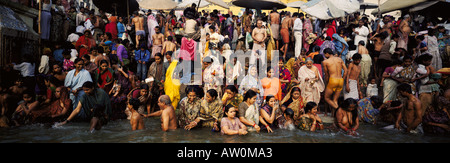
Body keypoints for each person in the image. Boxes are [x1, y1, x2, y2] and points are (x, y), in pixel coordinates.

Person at [323, 48, 347, 116]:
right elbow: (346, 71)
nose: (325, 56)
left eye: (325, 54)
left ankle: (340, 110)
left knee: (327, 98)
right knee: (335, 100)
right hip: (340, 80)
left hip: (332, 80)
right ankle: (336, 116)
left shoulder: (325, 62)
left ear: (327, 54)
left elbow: (326, 75)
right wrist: (343, 79)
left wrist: (327, 83)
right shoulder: (339, 59)